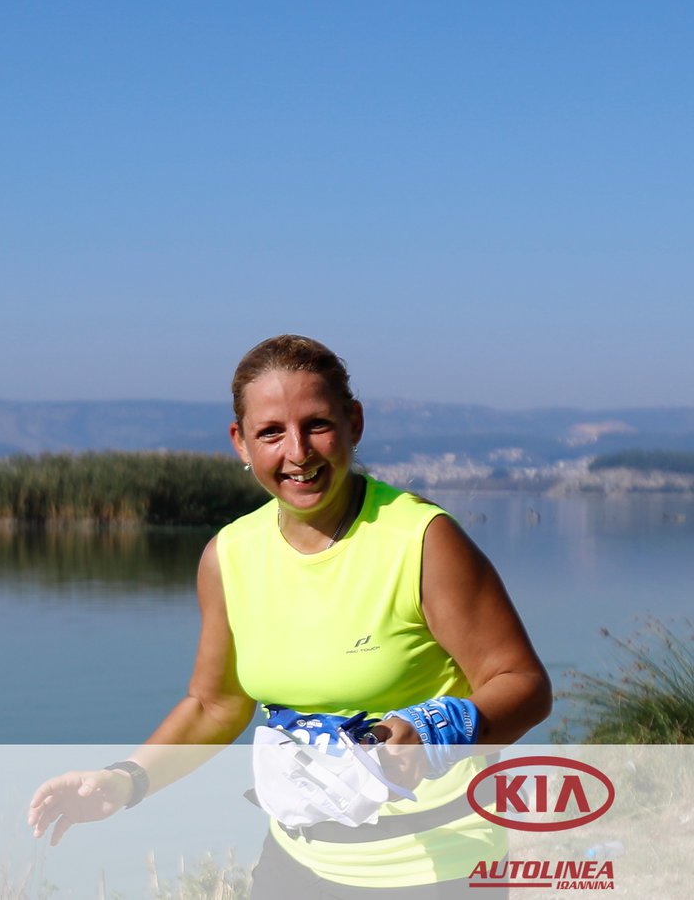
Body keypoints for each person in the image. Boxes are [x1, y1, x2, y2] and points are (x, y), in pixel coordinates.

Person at [28, 334, 551, 898]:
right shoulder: (229, 555)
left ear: (354, 423)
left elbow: (523, 685)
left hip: (436, 870)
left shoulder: (422, 540)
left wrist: (432, 731)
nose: (298, 452)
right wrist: (124, 780)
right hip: (295, 866)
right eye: (271, 432)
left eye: (317, 425)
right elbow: (214, 705)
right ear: (241, 442)